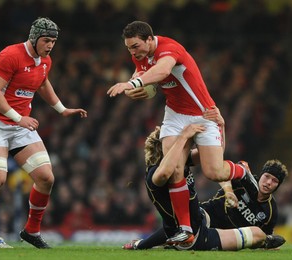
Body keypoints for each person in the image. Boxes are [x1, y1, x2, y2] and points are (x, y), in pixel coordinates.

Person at [107, 21, 252, 244]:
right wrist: (135, 88)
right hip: (174, 115)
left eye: (135, 46)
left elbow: (163, 70)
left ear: (149, 39)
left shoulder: (170, 48)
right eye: (128, 48)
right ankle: (185, 229)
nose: (132, 52)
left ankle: (241, 170)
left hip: (204, 113)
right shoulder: (139, 54)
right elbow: (144, 74)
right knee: (175, 167)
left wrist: (131, 82)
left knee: (215, 172)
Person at [0, 17, 87, 249]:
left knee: (46, 178)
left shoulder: (45, 60)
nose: (50, 45)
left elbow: (43, 84)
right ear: (34, 38)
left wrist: (62, 109)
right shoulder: (9, 56)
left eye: (53, 41)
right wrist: (18, 117)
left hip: (21, 127)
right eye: (46, 40)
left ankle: (31, 231)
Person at [123, 125, 285, 251]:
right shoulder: (155, 174)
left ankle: (163, 243)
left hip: (193, 223)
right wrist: (183, 137)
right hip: (196, 237)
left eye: (274, 180)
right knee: (257, 234)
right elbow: (165, 173)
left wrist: (219, 127)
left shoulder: (181, 163)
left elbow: (214, 157)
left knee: (195, 217)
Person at [200, 159, 287, 236]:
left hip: (229, 236)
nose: (268, 182)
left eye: (274, 181)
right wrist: (229, 191)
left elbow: (265, 235)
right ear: (261, 175)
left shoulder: (271, 211)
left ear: (278, 186)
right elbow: (224, 172)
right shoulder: (245, 180)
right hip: (210, 213)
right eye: (267, 176)